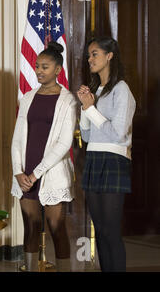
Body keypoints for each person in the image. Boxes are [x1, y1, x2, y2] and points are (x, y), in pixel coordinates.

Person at [11, 42, 77, 272]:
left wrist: (36, 173)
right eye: (37, 66)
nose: (39, 70)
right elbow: (17, 137)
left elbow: (64, 143)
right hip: (25, 172)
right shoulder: (28, 97)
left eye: (45, 67)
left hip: (51, 172)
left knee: (56, 227)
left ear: (58, 69)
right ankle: (29, 268)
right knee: (30, 226)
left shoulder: (68, 100)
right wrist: (18, 171)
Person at [77, 37, 135, 272]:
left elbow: (118, 134)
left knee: (111, 230)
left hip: (114, 160)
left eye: (95, 54)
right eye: (89, 55)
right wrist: (84, 108)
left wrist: (91, 109)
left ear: (109, 56)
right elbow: (88, 137)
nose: (89, 59)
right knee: (99, 230)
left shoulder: (122, 89)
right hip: (94, 159)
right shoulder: (96, 90)